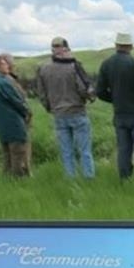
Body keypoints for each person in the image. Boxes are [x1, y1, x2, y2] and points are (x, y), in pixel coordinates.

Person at [96, 32, 134, 183]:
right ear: (131, 46)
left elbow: (99, 92)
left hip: (120, 113)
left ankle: (125, 180)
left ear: (116, 45)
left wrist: (115, 100)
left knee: (123, 149)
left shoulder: (107, 64)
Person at [36, 36, 96, 179]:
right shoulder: (73, 66)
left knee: (66, 151)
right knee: (84, 150)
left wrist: (49, 108)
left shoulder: (43, 68)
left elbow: (42, 94)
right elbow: (83, 89)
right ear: (66, 49)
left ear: (52, 49)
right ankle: (88, 177)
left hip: (58, 114)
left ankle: (70, 178)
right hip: (77, 111)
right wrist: (88, 98)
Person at [0, 55, 32, 177]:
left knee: (7, 155)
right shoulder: (2, 83)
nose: (7, 66)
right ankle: (19, 181)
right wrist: (27, 112)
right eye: (4, 64)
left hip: (0, 124)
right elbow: (17, 101)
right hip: (14, 122)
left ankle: (7, 179)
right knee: (18, 155)